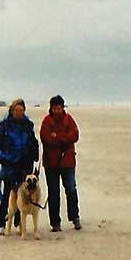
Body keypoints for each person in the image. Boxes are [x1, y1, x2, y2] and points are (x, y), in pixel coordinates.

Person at [0, 98, 39, 235]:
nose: (18, 113)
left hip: (25, 165)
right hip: (10, 165)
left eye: (21, 110)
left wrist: (35, 154)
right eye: (16, 110)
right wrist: (6, 159)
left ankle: (19, 223)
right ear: (11, 110)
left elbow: (33, 141)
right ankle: (1, 223)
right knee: (8, 193)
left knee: (24, 194)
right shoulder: (5, 124)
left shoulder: (28, 124)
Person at [40, 95, 81, 232]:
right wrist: (64, 138)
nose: (57, 110)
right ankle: (55, 223)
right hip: (51, 163)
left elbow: (75, 136)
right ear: (51, 108)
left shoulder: (69, 119)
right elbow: (45, 138)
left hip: (67, 161)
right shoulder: (46, 121)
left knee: (70, 189)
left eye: (59, 108)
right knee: (53, 192)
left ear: (63, 107)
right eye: (54, 108)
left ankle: (75, 217)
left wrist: (57, 137)